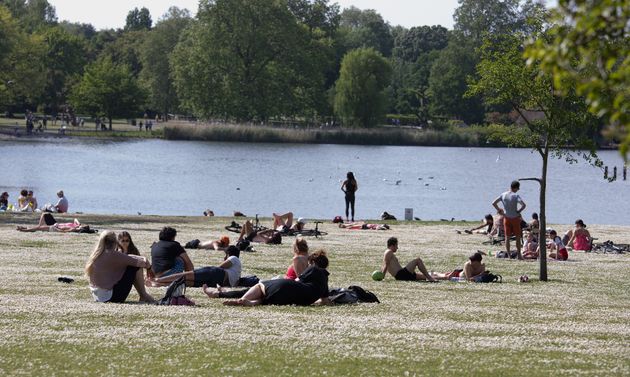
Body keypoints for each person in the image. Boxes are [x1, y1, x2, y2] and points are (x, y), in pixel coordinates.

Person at [220, 250, 330, 306]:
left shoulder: (314, 269)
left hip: (288, 289)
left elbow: (297, 281)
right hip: (299, 301)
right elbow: (325, 301)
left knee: (261, 285)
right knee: (266, 299)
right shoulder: (325, 280)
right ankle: (252, 303)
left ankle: (243, 299)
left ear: (314, 262)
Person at [85, 231, 154, 303]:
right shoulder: (113, 255)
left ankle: (143, 295)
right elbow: (140, 263)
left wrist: (141, 258)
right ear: (116, 242)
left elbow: (127, 257)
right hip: (110, 298)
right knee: (134, 267)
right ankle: (143, 295)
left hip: (98, 297)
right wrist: (148, 267)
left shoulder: (96, 254)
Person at [148, 246, 242, 288]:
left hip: (216, 274)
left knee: (186, 275)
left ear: (229, 254)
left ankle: (158, 280)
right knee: (186, 282)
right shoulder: (237, 269)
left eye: (225, 255)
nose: (224, 257)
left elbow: (219, 267)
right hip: (218, 281)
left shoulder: (234, 258)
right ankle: (160, 283)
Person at [116, 231, 155, 300]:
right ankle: (143, 295)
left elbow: (141, 261)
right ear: (118, 241)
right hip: (120, 276)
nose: (125, 243)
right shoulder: (116, 251)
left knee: (137, 267)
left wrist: (147, 269)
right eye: (123, 241)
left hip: (130, 274)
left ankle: (143, 294)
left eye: (127, 240)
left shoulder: (134, 250)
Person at [492, 180, 526, 259]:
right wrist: (519, 211)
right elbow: (524, 205)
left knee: (507, 237)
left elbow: (493, 203)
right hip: (515, 218)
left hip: (506, 217)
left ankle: (509, 255)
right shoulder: (516, 195)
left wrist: (499, 210)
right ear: (516, 188)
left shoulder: (503, 194)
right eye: (518, 188)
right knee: (518, 236)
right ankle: (519, 255)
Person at [16, 212, 85, 232]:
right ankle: (25, 228)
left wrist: (56, 228)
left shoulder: (74, 228)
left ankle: (24, 230)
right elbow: (75, 219)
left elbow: (64, 231)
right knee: (46, 214)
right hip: (55, 223)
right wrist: (79, 224)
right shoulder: (76, 225)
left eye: (83, 227)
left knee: (39, 228)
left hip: (55, 227)